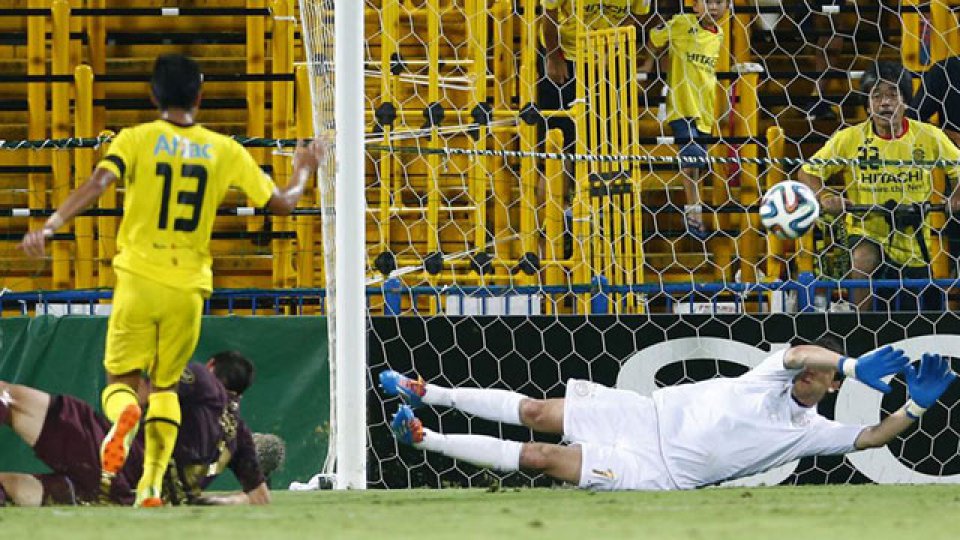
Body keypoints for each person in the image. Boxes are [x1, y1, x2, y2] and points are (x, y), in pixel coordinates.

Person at [19, 54, 324, 506]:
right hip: (188, 286)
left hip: (139, 276)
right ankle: (149, 487)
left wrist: (50, 225)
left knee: (120, 378)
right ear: (200, 97)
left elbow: (99, 182)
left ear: (152, 95)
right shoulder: (225, 149)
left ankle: (123, 416)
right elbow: (281, 203)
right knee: (164, 386)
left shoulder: (137, 139)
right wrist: (303, 168)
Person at [380, 343, 955, 491]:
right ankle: (429, 392)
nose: (809, 376)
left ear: (827, 390)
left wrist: (917, 405)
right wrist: (852, 364)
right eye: (814, 370)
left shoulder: (813, 432)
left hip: (660, 472)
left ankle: (424, 437)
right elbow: (801, 352)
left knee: (540, 457)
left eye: (822, 378)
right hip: (639, 415)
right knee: (535, 412)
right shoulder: (770, 373)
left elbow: (873, 436)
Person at [0, 351, 276, 506]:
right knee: (14, 488)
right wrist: (227, 501)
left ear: (211, 365)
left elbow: (147, 392)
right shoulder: (240, 436)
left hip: (115, 456)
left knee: (9, 398)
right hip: (124, 498)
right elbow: (260, 499)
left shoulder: (203, 379)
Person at [798, 61, 960, 310]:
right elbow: (806, 171)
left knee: (915, 316)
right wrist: (825, 195)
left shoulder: (929, 136)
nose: (885, 103)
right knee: (863, 257)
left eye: (892, 95)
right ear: (867, 104)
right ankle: (861, 327)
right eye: (877, 96)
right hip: (866, 230)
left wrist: (956, 195)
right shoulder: (848, 139)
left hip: (913, 241)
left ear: (905, 101)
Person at [641, 0, 728, 238]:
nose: (713, 8)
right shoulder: (681, 23)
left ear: (728, 7)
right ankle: (693, 214)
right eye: (707, 2)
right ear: (695, 5)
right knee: (690, 162)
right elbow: (655, 37)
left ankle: (693, 211)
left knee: (697, 166)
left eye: (719, 3)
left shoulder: (718, 34)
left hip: (706, 112)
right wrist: (648, 64)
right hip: (682, 107)